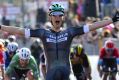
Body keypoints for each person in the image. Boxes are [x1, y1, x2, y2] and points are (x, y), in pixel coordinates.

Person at [0, 3, 119, 80]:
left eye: (60, 15)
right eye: (54, 15)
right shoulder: (43, 33)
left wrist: (112, 20)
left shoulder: (70, 32)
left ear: (63, 17)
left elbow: (92, 26)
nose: (57, 17)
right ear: (50, 17)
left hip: (66, 74)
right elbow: (20, 30)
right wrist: (2, 27)